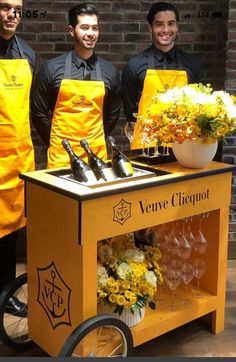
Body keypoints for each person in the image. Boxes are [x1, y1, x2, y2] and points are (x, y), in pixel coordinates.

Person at [31, 2, 121, 168]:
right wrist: (56, 141)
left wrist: (96, 139)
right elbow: (38, 112)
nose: (91, 33)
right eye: (85, 27)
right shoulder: (52, 68)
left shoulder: (110, 71)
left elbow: (112, 115)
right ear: (71, 30)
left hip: (97, 155)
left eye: (95, 28)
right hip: (62, 156)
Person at [122, 2, 201, 149]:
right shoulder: (134, 65)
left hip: (183, 147)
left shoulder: (192, 64)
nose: (166, 30)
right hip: (145, 148)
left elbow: (196, 109)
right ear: (150, 27)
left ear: (177, 26)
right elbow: (131, 113)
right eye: (159, 24)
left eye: (171, 24)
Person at [0, 1, 36, 314]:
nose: (12, 15)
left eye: (18, 9)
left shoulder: (28, 54)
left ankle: (5, 294)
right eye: (4, 7)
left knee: (10, 233)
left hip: (16, 159)